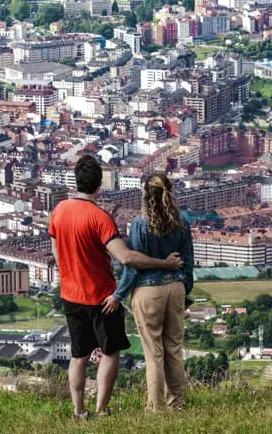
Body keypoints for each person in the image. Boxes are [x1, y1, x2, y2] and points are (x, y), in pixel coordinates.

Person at [49, 156, 183, 419]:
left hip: (70, 294)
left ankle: (78, 411)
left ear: (76, 181)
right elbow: (126, 257)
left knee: (79, 355)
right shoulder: (100, 218)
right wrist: (164, 263)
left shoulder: (59, 210)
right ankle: (100, 409)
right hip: (102, 296)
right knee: (109, 353)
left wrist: (67, 271)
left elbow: (55, 248)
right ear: (100, 184)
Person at [102, 173, 194, 412]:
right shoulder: (182, 221)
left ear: (145, 196)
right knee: (174, 350)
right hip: (175, 288)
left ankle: (156, 408)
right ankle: (178, 405)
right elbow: (189, 263)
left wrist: (118, 295)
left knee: (154, 354)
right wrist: (185, 292)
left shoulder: (140, 224)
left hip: (147, 291)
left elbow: (132, 265)